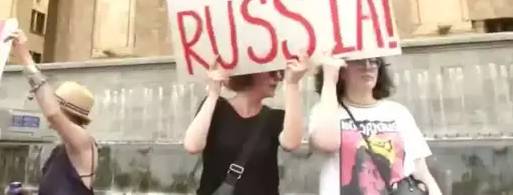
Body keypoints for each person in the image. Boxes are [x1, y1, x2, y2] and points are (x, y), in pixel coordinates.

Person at [308, 52, 442, 195]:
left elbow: (421, 172)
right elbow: (327, 143)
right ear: (342, 71)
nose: (368, 67)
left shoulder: (397, 112)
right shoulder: (325, 112)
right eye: (358, 61)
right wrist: (329, 80)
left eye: (373, 61)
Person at [184, 52, 310, 195]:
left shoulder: (274, 117)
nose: (278, 78)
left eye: (279, 73)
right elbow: (192, 145)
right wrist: (213, 93)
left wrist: (292, 84)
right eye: (272, 73)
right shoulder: (216, 108)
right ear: (250, 72)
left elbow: (292, 143)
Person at [9, 30, 98, 195]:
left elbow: (52, 114)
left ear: (66, 112)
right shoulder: (58, 152)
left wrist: (25, 57)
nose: (45, 111)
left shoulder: (84, 144)